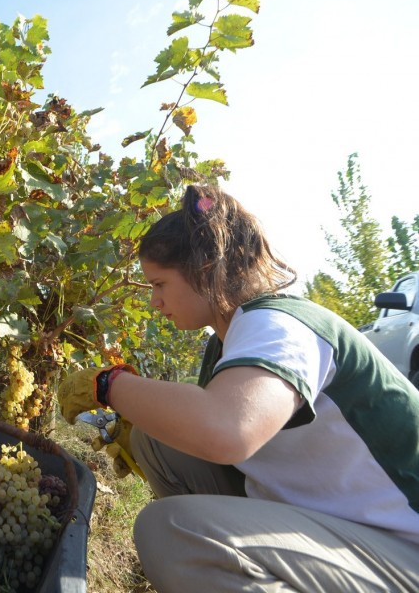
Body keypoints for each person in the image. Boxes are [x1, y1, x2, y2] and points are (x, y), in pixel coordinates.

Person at [57, 184, 419, 592]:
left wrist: (108, 384)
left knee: (174, 531)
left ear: (205, 269)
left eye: (159, 284)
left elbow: (230, 431)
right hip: (345, 525)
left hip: (403, 545)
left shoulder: (280, 324)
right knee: (156, 442)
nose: (154, 301)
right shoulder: (228, 341)